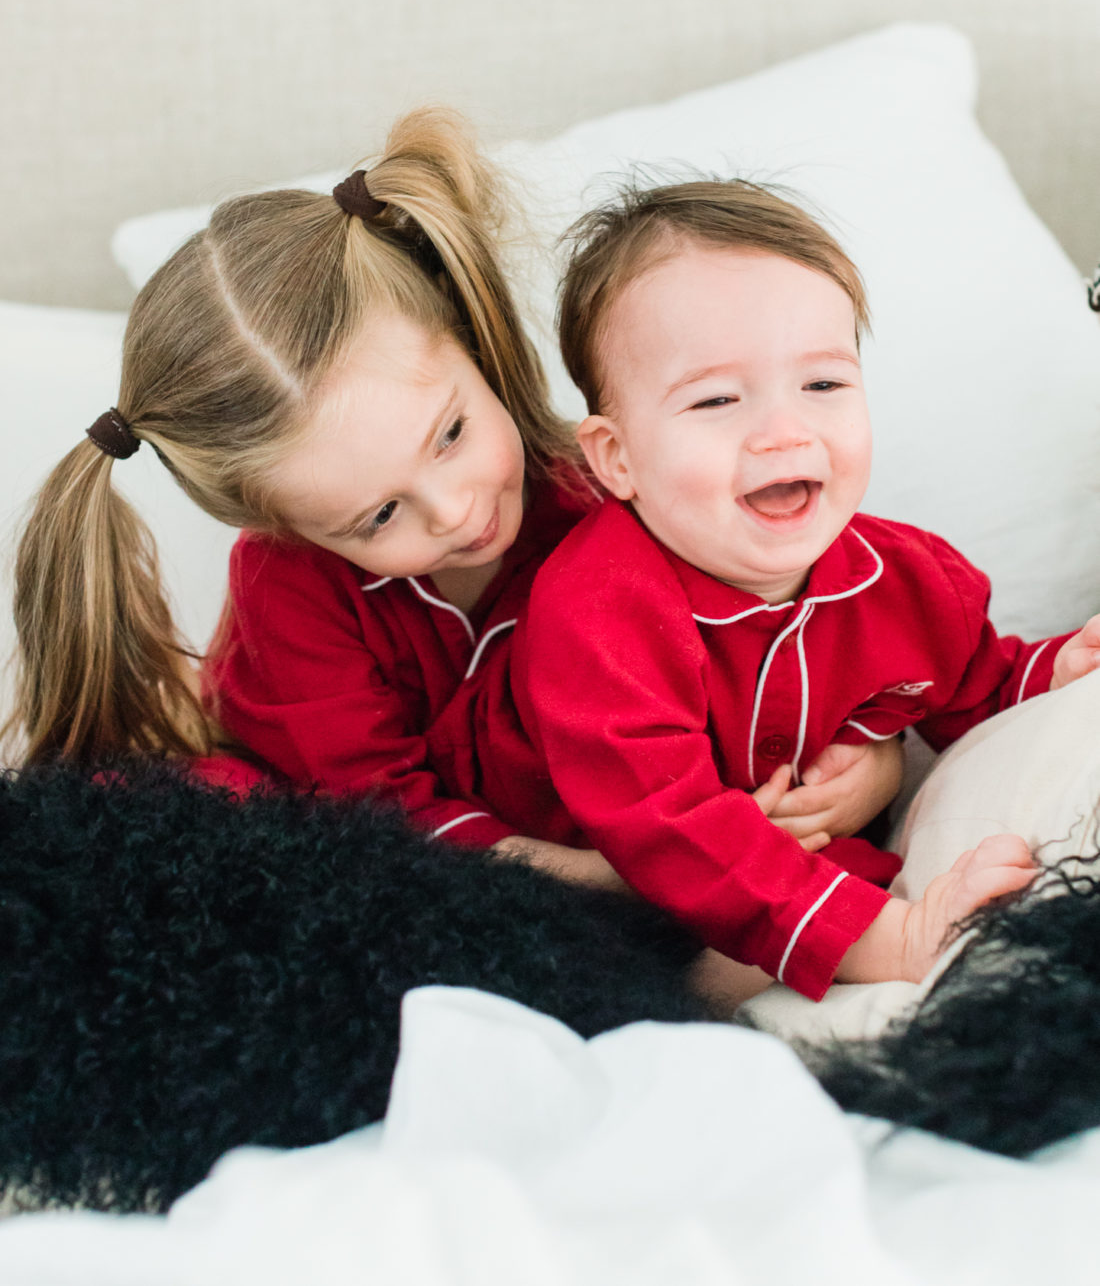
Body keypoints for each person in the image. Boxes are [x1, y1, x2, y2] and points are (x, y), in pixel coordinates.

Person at [454, 180, 1100, 998]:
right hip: (573, 880)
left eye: (824, 386)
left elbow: (975, 679)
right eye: (717, 400)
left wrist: (1056, 673)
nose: (784, 431)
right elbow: (672, 828)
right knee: (666, 968)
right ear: (616, 459)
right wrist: (886, 938)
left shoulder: (904, 578)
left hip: (783, 866)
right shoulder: (598, 612)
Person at [3, 110, 612, 887]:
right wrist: (613, 880)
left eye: (450, 434)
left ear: (467, 331)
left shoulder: (604, 488)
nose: (455, 510)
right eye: (380, 516)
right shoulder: (287, 588)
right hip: (346, 828)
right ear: (281, 526)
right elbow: (385, 825)